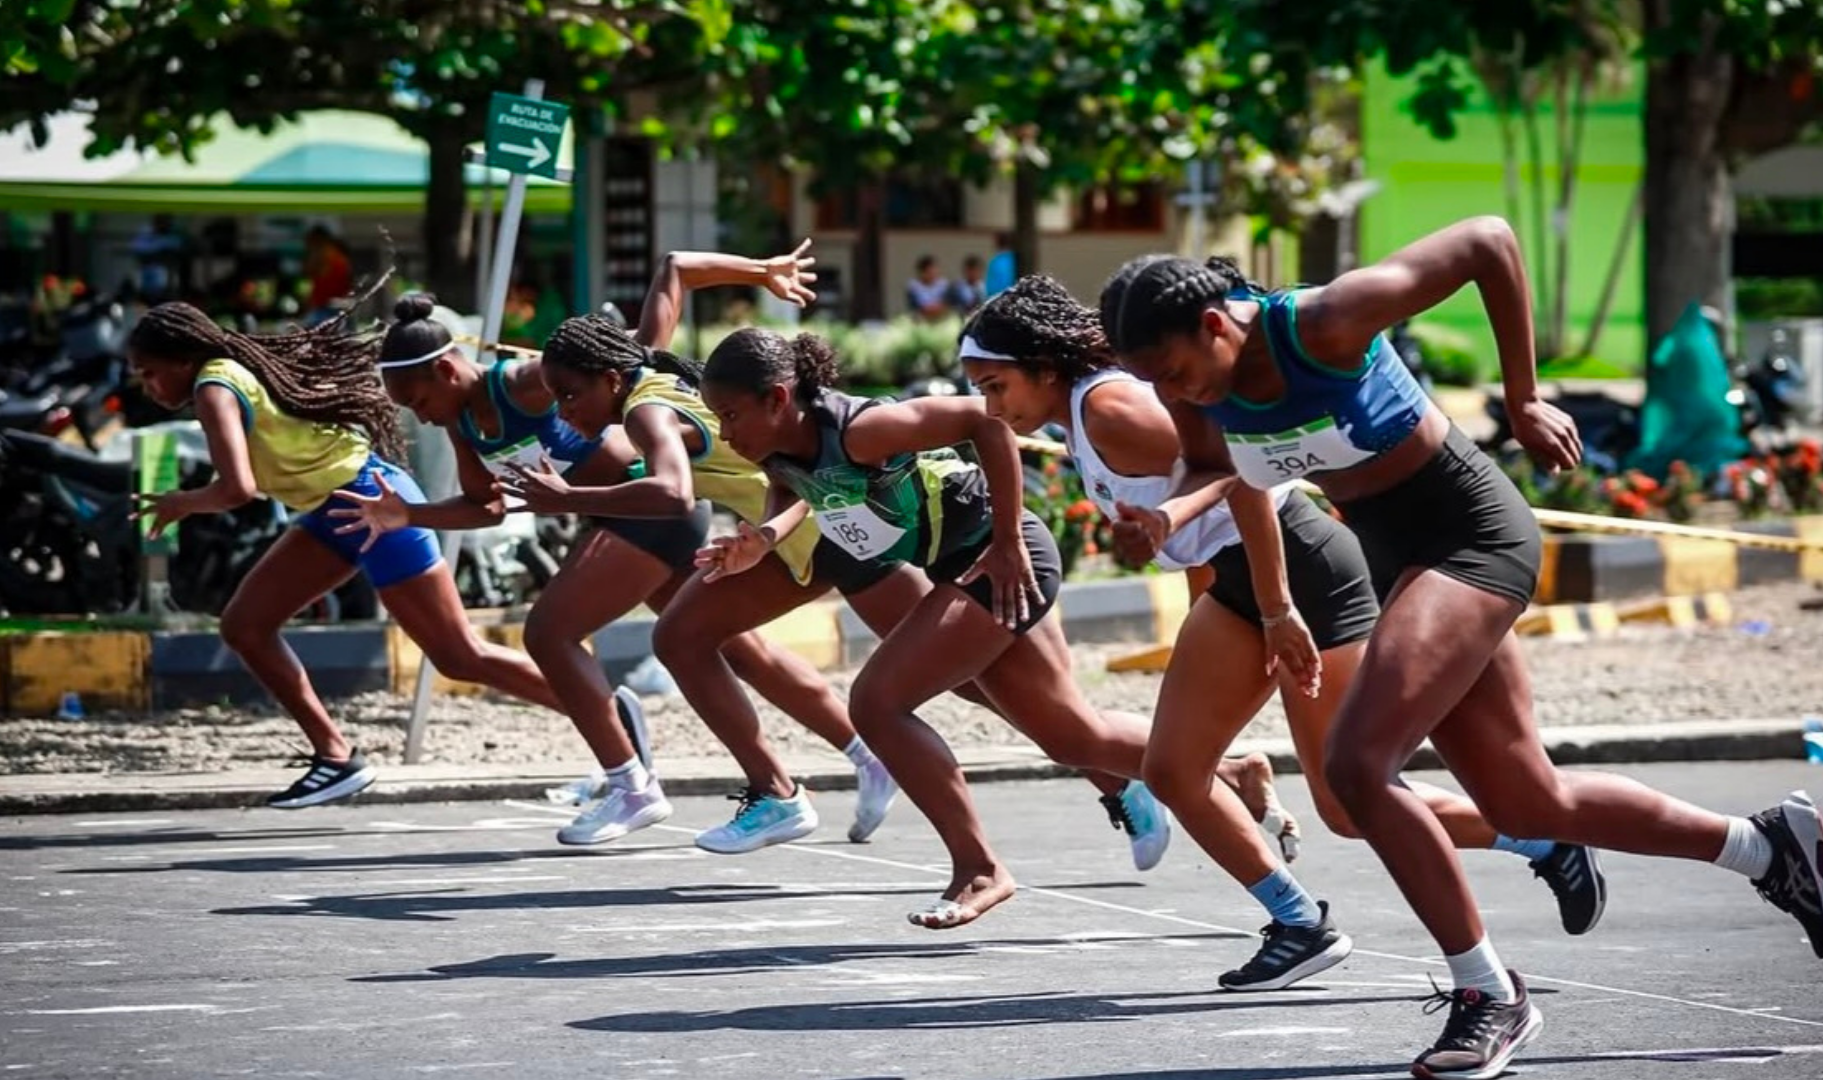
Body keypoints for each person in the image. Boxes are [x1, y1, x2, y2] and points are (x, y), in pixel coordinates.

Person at [1098, 222, 1823, 1079]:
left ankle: (1489, 994)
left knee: (1357, 767)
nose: (1171, 392)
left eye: (1174, 371)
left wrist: (1523, 399)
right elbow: (1212, 469)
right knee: (1527, 800)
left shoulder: (1326, 324)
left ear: (1215, 325)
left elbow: (1489, 242)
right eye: (1153, 382)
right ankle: (1766, 847)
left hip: (1470, 537)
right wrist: (1169, 516)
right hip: (1399, 556)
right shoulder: (1197, 391)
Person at [958, 275, 1602, 990]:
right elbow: (1191, 521)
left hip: (1301, 573)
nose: (991, 406)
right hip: (1243, 579)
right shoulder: (1081, 415)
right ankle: (1299, 923)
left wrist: (1274, 609)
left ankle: (1541, 838)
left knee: (1347, 804)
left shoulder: (1110, 410)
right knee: (1173, 770)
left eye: (996, 386)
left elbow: (1241, 470)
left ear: (1045, 368)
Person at [691, 327, 1277, 932]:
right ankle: (1232, 771)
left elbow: (988, 422)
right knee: (1071, 735)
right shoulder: (779, 447)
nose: (726, 433)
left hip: (1004, 556)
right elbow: (796, 484)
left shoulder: (866, 429)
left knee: (877, 702)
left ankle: (979, 868)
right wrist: (761, 538)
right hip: (961, 567)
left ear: (779, 398)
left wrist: (1004, 542)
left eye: (731, 416)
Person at [334, 243, 898, 852]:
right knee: (732, 648)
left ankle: (639, 783)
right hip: (703, 513)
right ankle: (867, 757)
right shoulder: (468, 422)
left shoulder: (542, 385)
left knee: (551, 633)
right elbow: (489, 506)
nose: (569, 414)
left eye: (417, 401)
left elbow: (661, 304)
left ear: (446, 371)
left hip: (664, 511)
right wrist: (406, 513)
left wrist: (760, 273)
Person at [125, 295, 569, 809]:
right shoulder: (227, 371)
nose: (148, 387)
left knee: (458, 654)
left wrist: (182, 502)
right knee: (245, 625)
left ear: (183, 359)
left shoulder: (213, 386)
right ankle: (336, 758)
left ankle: (597, 709)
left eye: (150, 373)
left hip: (373, 499)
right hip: (333, 509)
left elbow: (237, 488)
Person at [905, 255, 950, 322]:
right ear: (922, 273)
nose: (934, 274)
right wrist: (935, 309)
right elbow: (921, 309)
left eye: (935, 270)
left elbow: (947, 305)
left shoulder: (943, 284)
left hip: (941, 321)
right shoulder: (913, 286)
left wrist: (937, 309)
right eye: (930, 272)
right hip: (920, 322)